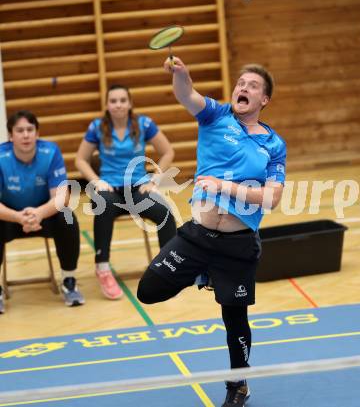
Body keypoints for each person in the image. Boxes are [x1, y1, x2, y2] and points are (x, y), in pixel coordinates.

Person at [137, 57, 286, 407]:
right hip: (198, 237)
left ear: (264, 99)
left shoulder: (273, 145)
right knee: (148, 290)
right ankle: (203, 272)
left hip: (237, 245)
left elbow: (271, 198)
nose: (243, 88)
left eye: (252, 86)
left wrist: (223, 186)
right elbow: (187, 95)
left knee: (234, 317)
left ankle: (238, 383)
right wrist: (181, 73)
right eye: (240, 83)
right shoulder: (216, 116)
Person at [75, 84, 177, 300]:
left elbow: (168, 152)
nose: (118, 104)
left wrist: (155, 180)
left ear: (130, 103)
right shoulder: (97, 127)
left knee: (165, 213)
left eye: (123, 100)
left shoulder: (143, 124)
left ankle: (166, 269)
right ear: (107, 105)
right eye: (113, 101)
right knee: (102, 206)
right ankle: (102, 267)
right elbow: (80, 160)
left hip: (138, 188)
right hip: (110, 189)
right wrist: (96, 181)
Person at [0, 110, 84, 314]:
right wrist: (19, 217)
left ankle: (69, 280)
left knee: (68, 218)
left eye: (30, 130)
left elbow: (62, 197)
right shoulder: (1, 156)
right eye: (20, 130)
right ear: (11, 136)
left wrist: (38, 213)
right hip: (10, 218)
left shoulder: (51, 152)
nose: (26, 135)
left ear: (37, 134)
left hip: (43, 215)